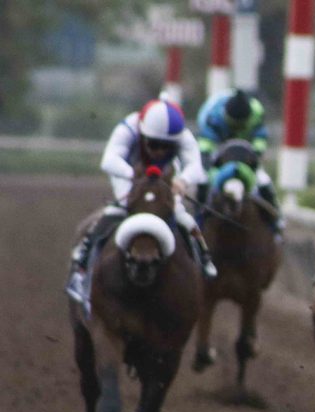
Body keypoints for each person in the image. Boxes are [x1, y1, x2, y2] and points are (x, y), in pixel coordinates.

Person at [71, 98, 217, 279]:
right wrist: (134, 175)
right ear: (143, 133)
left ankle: (204, 258)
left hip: (165, 178)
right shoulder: (130, 126)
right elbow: (108, 160)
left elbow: (196, 167)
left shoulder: (183, 136)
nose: (160, 151)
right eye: (154, 144)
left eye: (167, 146)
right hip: (129, 173)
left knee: (181, 215)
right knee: (122, 206)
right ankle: (85, 252)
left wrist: (183, 181)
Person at [195, 88, 280, 229]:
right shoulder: (214, 117)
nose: (237, 128)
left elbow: (260, 136)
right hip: (220, 159)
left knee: (264, 181)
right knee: (203, 178)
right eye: (234, 125)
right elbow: (206, 143)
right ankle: (199, 218)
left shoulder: (256, 113)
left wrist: (257, 153)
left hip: (246, 159)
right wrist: (206, 160)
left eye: (241, 125)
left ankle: (275, 221)